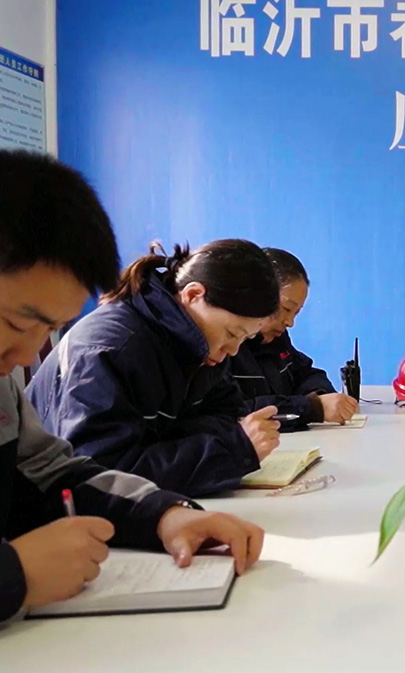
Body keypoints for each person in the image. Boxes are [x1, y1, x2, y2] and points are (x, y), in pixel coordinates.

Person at [0, 149, 263, 624]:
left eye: (50, 329)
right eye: (17, 324)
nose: (25, 357)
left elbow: (52, 472)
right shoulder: (111, 345)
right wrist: (13, 576)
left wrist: (165, 514)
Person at [27, 239, 283, 497]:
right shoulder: (110, 349)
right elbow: (102, 475)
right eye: (232, 333)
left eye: (245, 339)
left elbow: (228, 415)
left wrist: (179, 445)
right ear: (193, 295)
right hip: (48, 508)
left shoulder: (200, 346)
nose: (234, 350)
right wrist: (231, 451)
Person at [230, 248, 358, 426]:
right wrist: (312, 408)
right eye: (286, 309)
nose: (290, 322)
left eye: (296, 313)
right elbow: (234, 413)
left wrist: (320, 397)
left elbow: (307, 373)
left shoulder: (277, 339)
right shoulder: (224, 348)